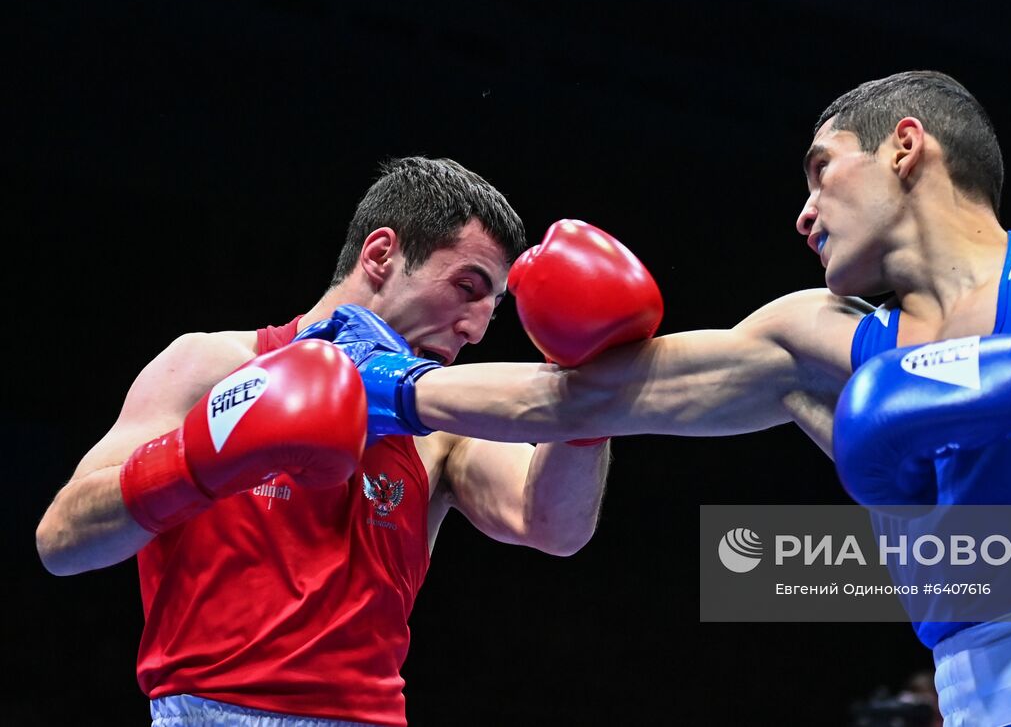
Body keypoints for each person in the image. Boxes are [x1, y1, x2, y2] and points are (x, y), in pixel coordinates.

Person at [337, 72, 1011, 726]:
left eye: (821, 171)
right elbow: (573, 403)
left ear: (905, 147)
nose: (801, 210)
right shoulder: (814, 342)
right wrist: (387, 385)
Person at [35, 156, 638, 727]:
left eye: (494, 307)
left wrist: (587, 378)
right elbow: (61, 542)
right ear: (381, 254)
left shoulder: (443, 427)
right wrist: (197, 462)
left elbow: (555, 527)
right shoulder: (211, 367)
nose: (476, 328)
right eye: (467, 286)